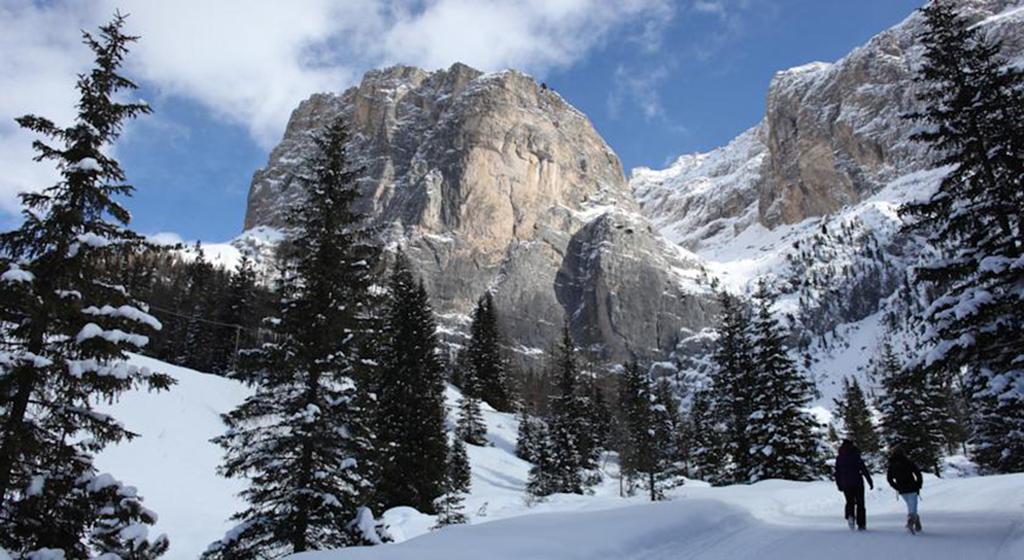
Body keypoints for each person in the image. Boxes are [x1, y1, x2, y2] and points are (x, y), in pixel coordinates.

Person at [834, 439, 873, 530]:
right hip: (857, 482)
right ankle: (861, 524)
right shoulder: (856, 455)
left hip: (845, 483)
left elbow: (837, 472)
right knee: (860, 503)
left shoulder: (840, 457)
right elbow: (863, 469)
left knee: (849, 501)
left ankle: (850, 516)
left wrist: (839, 484)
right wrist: (869, 481)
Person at [886, 447, 924, 533]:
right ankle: (912, 521)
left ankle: (914, 520)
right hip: (912, 487)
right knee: (912, 506)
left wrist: (896, 487)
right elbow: (918, 473)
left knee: (910, 506)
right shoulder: (908, 462)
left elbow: (889, 478)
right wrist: (918, 484)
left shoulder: (892, 464)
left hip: (902, 489)